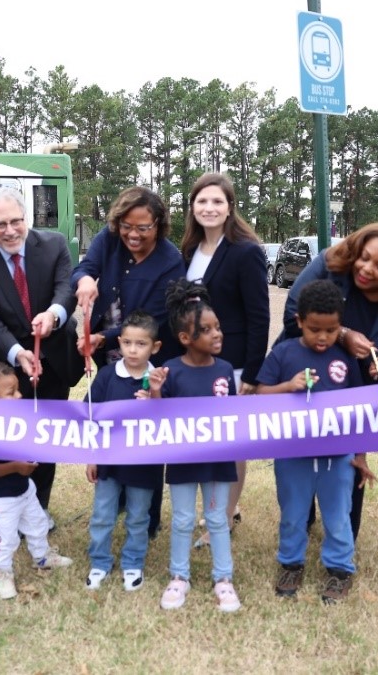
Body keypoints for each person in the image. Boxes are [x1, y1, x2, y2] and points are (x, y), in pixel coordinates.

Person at [278, 222, 378, 541]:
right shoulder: (329, 264)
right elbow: (292, 315)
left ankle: (344, 534)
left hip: (357, 397)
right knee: (299, 461)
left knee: (347, 467)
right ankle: (298, 524)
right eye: (365, 257)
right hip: (306, 381)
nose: (366, 268)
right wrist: (342, 335)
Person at [72, 185, 185, 537]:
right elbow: (84, 268)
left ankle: (147, 517)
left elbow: (152, 317)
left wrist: (105, 336)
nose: (132, 235)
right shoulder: (108, 240)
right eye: (126, 226)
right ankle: (114, 498)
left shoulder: (171, 260)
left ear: (159, 225)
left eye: (143, 227)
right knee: (111, 425)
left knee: (145, 435)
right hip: (110, 356)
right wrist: (86, 279)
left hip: (145, 353)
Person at [0, 188, 81, 520]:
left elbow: (65, 288)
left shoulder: (55, 244)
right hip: (8, 368)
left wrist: (54, 315)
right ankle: (12, 509)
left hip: (54, 360)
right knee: (12, 443)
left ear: (26, 218)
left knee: (46, 439)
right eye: (0, 224)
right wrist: (18, 354)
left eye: (16, 221)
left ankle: (39, 511)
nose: (10, 230)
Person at [257, 280, 373, 604]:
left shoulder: (344, 358)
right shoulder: (284, 353)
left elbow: (361, 409)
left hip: (338, 458)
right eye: (314, 329)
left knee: (338, 515)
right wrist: (288, 387)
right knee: (293, 514)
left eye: (331, 330)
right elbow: (259, 394)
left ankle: (339, 570)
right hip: (292, 455)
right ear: (299, 322)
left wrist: (361, 456)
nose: (323, 337)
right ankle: (291, 564)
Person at [180, 172, 270, 545]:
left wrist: (252, 371)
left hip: (232, 364)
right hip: (194, 365)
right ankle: (214, 510)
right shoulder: (187, 251)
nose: (209, 208)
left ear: (230, 207)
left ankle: (226, 515)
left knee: (231, 446)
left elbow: (259, 315)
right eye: (202, 201)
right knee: (203, 442)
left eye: (217, 201)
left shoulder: (246, 251)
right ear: (192, 207)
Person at [149, 279, 240, 613]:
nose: (216, 334)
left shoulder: (226, 370)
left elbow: (234, 417)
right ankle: (179, 576)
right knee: (184, 519)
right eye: (206, 330)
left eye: (218, 327)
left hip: (217, 462)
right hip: (183, 461)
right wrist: (156, 391)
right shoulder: (170, 372)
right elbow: (159, 421)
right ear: (185, 338)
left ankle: (223, 579)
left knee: (217, 518)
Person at [0, 363, 74, 600]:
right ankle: (2, 571)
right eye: (11, 393)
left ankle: (42, 555)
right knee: (6, 539)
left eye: (18, 390)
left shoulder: (20, 419)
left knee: (38, 523)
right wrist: (16, 466)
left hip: (25, 490)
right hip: (1, 499)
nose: (19, 396)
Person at [83, 311, 164, 593]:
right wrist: (92, 456)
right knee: (102, 514)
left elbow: (174, 425)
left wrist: (155, 398)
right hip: (108, 461)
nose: (132, 349)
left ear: (155, 347)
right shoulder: (107, 376)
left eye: (141, 344)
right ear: (119, 342)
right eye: (127, 343)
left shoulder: (160, 378)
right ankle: (100, 561)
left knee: (138, 517)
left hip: (144, 464)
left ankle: (132, 563)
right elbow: (89, 415)